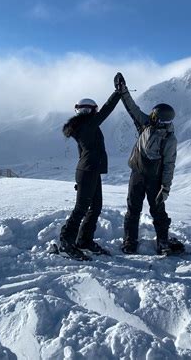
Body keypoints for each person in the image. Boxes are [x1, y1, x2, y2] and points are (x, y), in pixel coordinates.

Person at [114, 73, 181, 255]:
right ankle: (160, 242)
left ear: (157, 117)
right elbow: (169, 165)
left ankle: (132, 242)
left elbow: (131, 108)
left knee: (135, 210)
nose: (151, 116)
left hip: (140, 176)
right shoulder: (165, 135)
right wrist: (165, 188)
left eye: (154, 114)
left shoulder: (149, 127)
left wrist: (123, 91)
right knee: (155, 211)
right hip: (151, 178)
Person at [59, 86, 121, 259]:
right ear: (90, 110)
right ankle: (65, 242)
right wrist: (118, 93)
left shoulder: (82, 126)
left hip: (89, 171)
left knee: (95, 207)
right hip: (88, 171)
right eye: (95, 110)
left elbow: (82, 151)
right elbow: (107, 110)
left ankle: (84, 241)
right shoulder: (89, 124)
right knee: (81, 209)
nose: (97, 113)